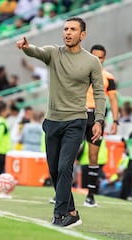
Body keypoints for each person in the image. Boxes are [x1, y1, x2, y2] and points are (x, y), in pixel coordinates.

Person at [16, 17, 105, 228]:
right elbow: (36, 51)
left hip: (75, 121)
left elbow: (100, 93)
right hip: (52, 121)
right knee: (55, 171)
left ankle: (59, 216)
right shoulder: (53, 53)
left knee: (65, 167)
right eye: (65, 29)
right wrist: (26, 47)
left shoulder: (91, 61)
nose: (68, 32)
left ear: (82, 35)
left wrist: (99, 120)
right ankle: (72, 212)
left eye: (73, 29)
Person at [83, 44, 119, 207]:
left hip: (96, 117)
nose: (98, 59)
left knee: (93, 156)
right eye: (95, 56)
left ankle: (90, 195)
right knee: (69, 154)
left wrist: (116, 121)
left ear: (105, 58)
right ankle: (61, 193)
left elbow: (113, 100)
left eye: (101, 57)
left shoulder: (108, 77)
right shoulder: (80, 72)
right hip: (78, 114)